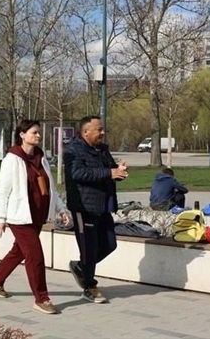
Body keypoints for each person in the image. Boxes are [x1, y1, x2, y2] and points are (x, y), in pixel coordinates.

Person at [0, 120, 70, 315]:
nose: (38, 135)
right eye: (34, 132)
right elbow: (2, 190)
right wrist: (0, 217)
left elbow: (51, 188)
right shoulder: (12, 159)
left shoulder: (41, 158)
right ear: (22, 135)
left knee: (19, 251)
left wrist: (61, 209)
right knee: (35, 256)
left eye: (39, 132)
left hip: (37, 215)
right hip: (20, 217)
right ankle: (42, 298)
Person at [63, 115, 126, 304]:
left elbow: (110, 169)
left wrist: (119, 170)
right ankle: (89, 287)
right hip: (84, 207)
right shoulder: (73, 150)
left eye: (102, 129)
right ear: (85, 132)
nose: (103, 133)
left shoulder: (102, 149)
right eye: (99, 130)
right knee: (89, 249)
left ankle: (82, 268)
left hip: (103, 205)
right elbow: (77, 173)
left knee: (110, 244)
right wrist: (109, 173)